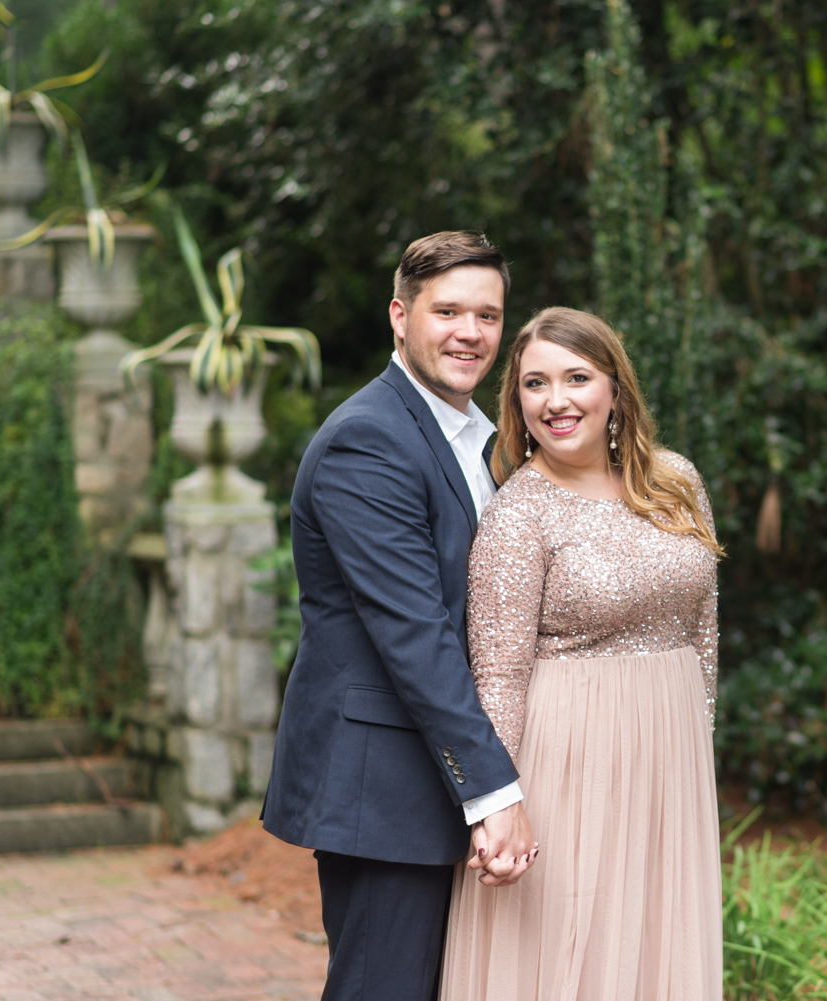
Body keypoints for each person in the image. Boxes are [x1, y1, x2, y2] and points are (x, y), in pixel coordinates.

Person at [262, 231, 537, 1001]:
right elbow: (416, 633)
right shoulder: (368, 441)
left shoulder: (483, 440)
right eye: (446, 310)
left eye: (487, 314)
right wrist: (493, 791)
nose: (469, 332)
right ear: (399, 315)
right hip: (383, 784)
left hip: (437, 772)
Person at [439, 307, 725, 1001]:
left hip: (670, 759)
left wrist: (696, 746)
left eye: (576, 377)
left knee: (655, 946)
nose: (556, 400)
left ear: (615, 390)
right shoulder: (519, 513)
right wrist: (495, 808)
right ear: (517, 403)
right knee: (572, 951)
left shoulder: (676, 481)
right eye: (535, 384)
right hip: (567, 761)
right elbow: (497, 675)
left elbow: (704, 630)